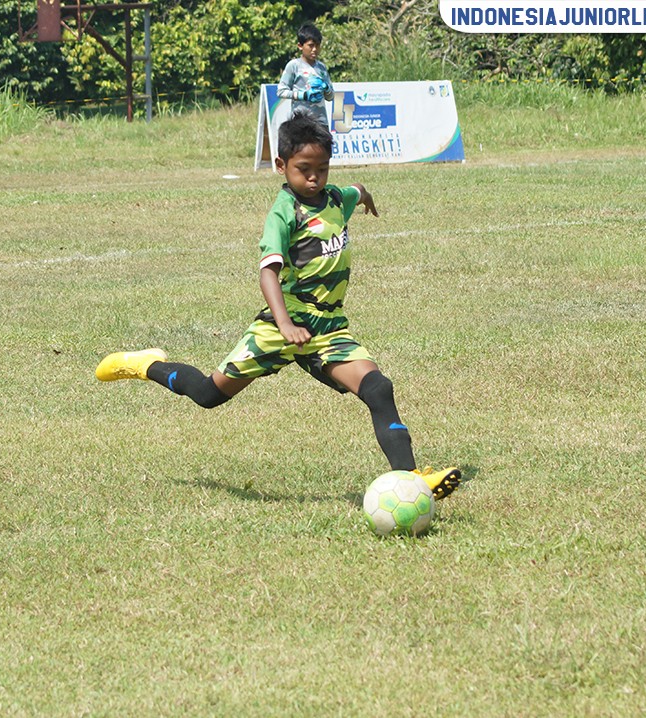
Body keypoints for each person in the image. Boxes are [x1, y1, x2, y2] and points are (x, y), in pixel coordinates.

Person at [95, 112, 461, 500]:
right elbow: (268, 272)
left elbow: (358, 188)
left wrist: (366, 197)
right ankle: (143, 363)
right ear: (281, 165)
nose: (314, 178)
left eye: (323, 168)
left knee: (378, 388)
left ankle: (412, 480)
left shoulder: (337, 199)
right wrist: (285, 324)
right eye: (304, 169)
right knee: (207, 394)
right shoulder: (284, 213)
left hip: (328, 330)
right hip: (279, 327)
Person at [276, 22, 334, 126]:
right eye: (311, 46)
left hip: (321, 122)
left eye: (317, 46)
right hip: (300, 122)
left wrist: (326, 88)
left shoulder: (321, 67)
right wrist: (304, 95)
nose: (314, 50)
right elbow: (281, 91)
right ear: (300, 46)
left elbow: (331, 97)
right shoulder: (294, 65)